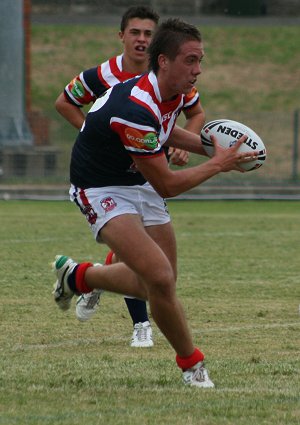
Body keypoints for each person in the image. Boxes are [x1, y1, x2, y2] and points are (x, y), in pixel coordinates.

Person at [52, 18, 257, 388]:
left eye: (200, 60)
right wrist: (217, 163)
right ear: (164, 61)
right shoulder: (134, 109)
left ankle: (79, 276)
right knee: (159, 278)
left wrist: (218, 148)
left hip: (136, 177)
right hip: (101, 187)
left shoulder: (172, 91)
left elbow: (166, 131)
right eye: (190, 61)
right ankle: (192, 365)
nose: (197, 70)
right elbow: (167, 184)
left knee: (161, 285)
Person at [55, 6, 206, 348]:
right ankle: (143, 327)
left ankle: (82, 277)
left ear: (157, 46)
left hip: (143, 176)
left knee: (159, 278)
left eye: (148, 34)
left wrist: (205, 147)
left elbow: (192, 115)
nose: (141, 40)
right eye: (135, 33)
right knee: (154, 274)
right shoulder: (102, 76)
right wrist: (95, 133)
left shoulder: (177, 82)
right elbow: (65, 101)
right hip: (103, 180)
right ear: (121, 36)